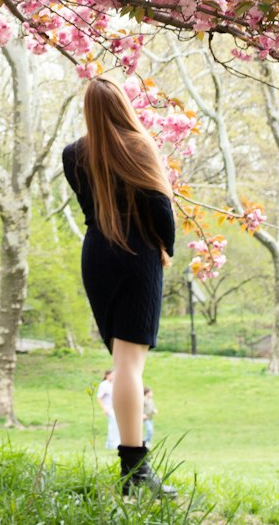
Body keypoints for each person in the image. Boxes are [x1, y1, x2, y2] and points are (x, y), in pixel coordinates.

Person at [63, 78, 177, 497]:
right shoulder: (140, 145)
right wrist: (167, 247)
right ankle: (135, 470)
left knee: (121, 359)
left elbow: (91, 205)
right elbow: (160, 207)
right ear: (122, 105)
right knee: (130, 365)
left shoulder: (74, 154)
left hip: (97, 254)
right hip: (137, 253)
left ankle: (134, 467)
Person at [95, 369, 120, 449]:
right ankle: (112, 444)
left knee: (116, 425)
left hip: (115, 407)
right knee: (112, 425)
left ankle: (113, 443)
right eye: (112, 375)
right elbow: (99, 398)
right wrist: (104, 408)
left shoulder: (114, 384)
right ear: (107, 375)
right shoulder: (104, 385)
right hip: (109, 408)